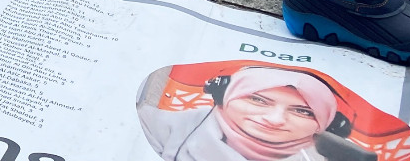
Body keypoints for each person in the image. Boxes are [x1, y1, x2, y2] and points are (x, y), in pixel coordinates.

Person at [137, 66, 343, 161]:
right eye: (257, 100)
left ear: (324, 123)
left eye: (302, 112)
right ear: (224, 95)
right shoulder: (155, 126)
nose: (275, 120)